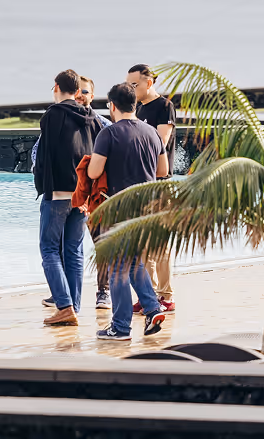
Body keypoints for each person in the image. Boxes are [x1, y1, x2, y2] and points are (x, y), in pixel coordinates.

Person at [88, 83, 169, 342]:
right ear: (135, 104)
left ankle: (120, 327)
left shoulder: (109, 134)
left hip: (118, 209)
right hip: (147, 208)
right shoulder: (152, 132)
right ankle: (153, 309)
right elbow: (162, 170)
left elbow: (94, 172)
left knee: (117, 268)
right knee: (134, 263)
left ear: (112, 106)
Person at [33, 69, 99, 327]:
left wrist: (43, 186)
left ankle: (64, 306)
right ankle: (74, 307)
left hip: (58, 193)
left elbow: (46, 155)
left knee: (49, 249)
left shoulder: (53, 115)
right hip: (82, 194)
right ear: (77, 91)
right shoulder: (92, 117)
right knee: (74, 250)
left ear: (56, 87)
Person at [127, 63, 176, 312]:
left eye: (134, 85)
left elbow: (160, 143)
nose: (131, 89)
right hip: (141, 184)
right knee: (143, 244)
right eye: (128, 85)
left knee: (160, 243)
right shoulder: (138, 108)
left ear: (149, 82)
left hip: (160, 184)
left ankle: (166, 295)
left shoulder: (164, 106)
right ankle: (149, 294)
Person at [76, 75, 112, 310]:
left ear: (92, 95)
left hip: (96, 197)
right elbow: (37, 153)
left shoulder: (104, 126)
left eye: (85, 92)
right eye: (77, 91)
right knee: (67, 246)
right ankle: (65, 294)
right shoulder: (59, 122)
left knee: (102, 244)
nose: (80, 96)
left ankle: (103, 291)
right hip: (68, 194)